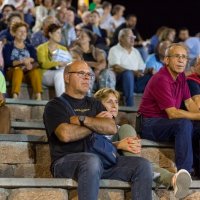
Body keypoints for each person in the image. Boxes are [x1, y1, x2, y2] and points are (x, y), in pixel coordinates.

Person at [43, 60, 152, 200]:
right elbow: (65, 134)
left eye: (89, 74)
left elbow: (111, 128)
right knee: (91, 161)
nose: (87, 77)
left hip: (100, 161)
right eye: (81, 73)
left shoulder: (94, 103)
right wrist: (96, 123)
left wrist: (83, 120)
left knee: (142, 165)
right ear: (67, 77)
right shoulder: (55, 106)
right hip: (65, 162)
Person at [94, 87, 192, 199]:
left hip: (124, 163)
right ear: (98, 106)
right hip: (102, 164)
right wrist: (118, 145)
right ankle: (167, 177)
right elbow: (90, 148)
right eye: (109, 102)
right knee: (143, 163)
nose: (114, 105)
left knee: (127, 130)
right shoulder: (91, 126)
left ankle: (169, 177)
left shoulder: (121, 129)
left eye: (116, 102)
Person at [138, 43, 200, 175]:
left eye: (184, 57)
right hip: (148, 123)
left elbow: (189, 102)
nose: (181, 60)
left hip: (166, 123)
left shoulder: (181, 76)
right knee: (183, 123)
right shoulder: (161, 79)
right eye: (177, 56)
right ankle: (184, 172)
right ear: (166, 60)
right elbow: (172, 113)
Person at [108, 28, 152, 106]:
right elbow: (116, 67)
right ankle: (130, 105)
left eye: (133, 37)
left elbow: (141, 68)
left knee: (153, 77)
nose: (133, 39)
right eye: (130, 37)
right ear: (121, 38)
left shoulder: (135, 51)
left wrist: (148, 71)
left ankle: (153, 106)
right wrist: (133, 73)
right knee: (128, 73)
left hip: (135, 82)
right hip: (121, 81)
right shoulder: (114, 50)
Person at [3, 21, 42, 99]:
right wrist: (22, 61)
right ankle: (15, 95)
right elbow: (7, 63)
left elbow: (36, 61)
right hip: (12, 72)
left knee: (35, 71)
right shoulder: (8, 46)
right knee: (18, 70)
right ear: (14, 33)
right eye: (20, 31)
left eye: (24, 31)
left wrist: (30, 65)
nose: (23, 33)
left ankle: (38, 96)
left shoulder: (30, 47)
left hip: (27, 72)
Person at [37, 23, 70, 97]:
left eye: (60, 33)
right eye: (58, 33)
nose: (60, 35)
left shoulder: (63, 49)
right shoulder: (41, 48)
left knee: (64, 73)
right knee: (60, 74)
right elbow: (43, 64)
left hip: (61, 73)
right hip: (45, 75)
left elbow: (68, 62)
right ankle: (62, 101)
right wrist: (58, 63)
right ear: (50, 34)